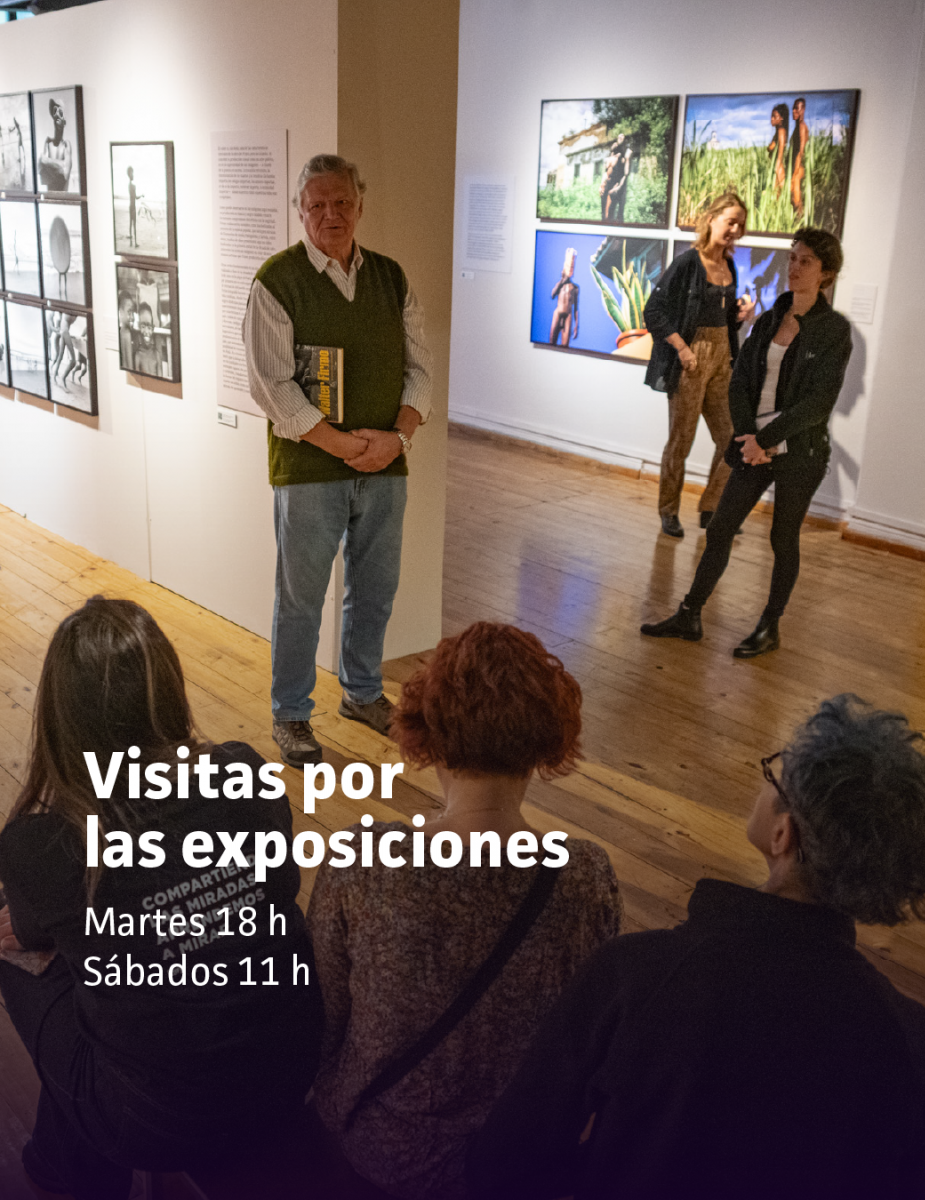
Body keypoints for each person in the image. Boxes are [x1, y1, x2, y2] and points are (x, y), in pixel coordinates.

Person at [467, 694, 925, 1200]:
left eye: (775, 778)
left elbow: (506, 1165)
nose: (765, 780)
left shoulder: (633, 976)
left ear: (783, 834)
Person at [0, 597, 323, 1200]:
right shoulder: (245, 772)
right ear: (169, 690)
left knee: (25, 956)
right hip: (289, 1073)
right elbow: (280, 887)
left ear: (60, 716)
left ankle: (73, 1171)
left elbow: (32, 936)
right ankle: (61, 1157)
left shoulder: (42, 844)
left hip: (154, 1125)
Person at [307, 622, 620, 1200]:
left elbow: (323, 1021)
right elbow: (585, 1042)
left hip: (380, 1148)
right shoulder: (586, 878)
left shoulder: (362, 861)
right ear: (546, 740)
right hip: (516, 1161)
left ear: (426, 732)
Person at [243, 153, 433, 768]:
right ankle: (292, 712)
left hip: (386, 466)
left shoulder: (390, 278)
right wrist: (345, 445)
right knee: (301, 598)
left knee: (375, 588)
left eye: (342, 202)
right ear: (300, 211)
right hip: (311, 472)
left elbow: (420, 370)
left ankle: (363, 691)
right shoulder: (277, 281)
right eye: (318, 204)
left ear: (360, 206)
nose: (332, 214)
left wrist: (397, 439)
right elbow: (271, 386)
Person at [641, 227, 851, 657]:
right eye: (793, 257)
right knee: (720, 528)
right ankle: (689, 614)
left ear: (826, 274)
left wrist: (766, 440)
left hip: (800, 453)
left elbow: (818, 404)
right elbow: (739, 379)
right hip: (753, 445)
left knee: (783, 537)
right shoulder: (772, 317)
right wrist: (746, 437)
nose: (794, 267)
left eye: (806, 261)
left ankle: (769, 626)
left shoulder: (833, 330)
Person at [644, 191, 755, 537]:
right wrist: (681, 348)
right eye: (730, 222)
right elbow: (653, 311)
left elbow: (724, 319)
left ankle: (711, 508)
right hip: (691, 361)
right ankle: (668, 511)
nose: (735, 230)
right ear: (711, 219)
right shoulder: (687, 264)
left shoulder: (729, 266)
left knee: (732, 438)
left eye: (740, 224)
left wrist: (741, 315)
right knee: (681, 440)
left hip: (722, 359)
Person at [38, 97, 72, 192]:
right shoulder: (48, 143)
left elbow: (66, 172)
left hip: (63, 197)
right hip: (49, 197)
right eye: (54, 111)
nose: (57, 115)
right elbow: (41, 173)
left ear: (64, 121)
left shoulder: (66, 145)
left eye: (60, 112)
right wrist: (59, 165)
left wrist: (48, 162)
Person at [549, 253, 579, 347]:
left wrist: (576, 325)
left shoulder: (575, 288)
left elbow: (576, 308)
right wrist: (562, 281)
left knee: (565, 345)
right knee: (552, 341)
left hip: (568, 315)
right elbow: (553, 295)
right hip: (558, 313)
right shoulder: (560, 284)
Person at [599, 133, 631, 222]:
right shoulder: (610, 157)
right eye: (619, 137)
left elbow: (625, 174)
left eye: (622, 137)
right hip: (607, 185)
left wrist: (617, 187)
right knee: (604, 212)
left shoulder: (623, 157)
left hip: (615, 185)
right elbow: (605, 172)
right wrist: (601, 185)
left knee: (612, 212)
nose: (620, 138)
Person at [790, 97, 810, 216]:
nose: (794, 111)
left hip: (798, 167)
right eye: (793, 108)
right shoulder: (797, 127)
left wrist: (796, 171)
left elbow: (801, 151)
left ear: (803, 110)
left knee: (797, 198)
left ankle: (800, 219)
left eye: (797, 109)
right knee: (793, 196)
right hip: (795, 166)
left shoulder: (802, 127)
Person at [767, 102, 789, 200]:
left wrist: (777, 166)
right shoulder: (779, 132)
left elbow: (780, 151)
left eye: (774, 116)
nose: (772, 119)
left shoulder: (781, 131)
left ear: (781, 118)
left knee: (778, 194)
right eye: (772, 116)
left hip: (778, 166)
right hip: (777, 166)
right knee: (777, 195)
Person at [134, 301, 162, 376]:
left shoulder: (156, 354)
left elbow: (161, 378)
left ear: (152, 328)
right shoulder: (138, 355)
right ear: (139, 327)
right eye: (143, 326)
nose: (146, 332)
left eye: (149, 327)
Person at [118, 290, 136, 371]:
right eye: (129, 312)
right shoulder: (126, 333)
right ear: (121, 312)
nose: (132, 317)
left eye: (133, 312)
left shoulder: (123, 332)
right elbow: (129, 367)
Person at [127, 164, 143, 248]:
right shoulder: (132, 186)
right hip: (133, 207)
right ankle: (135, 243)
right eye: (132, 174)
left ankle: (131, 243)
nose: (133, 175)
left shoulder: (129, 185)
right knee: (134, 224)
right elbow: (135, 197)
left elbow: (133, 197)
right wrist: (141, 195)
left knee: (131, 224)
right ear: (130, 175)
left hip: (131, 206)